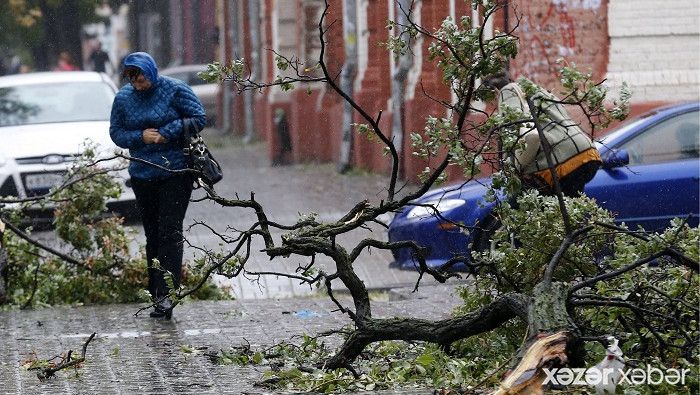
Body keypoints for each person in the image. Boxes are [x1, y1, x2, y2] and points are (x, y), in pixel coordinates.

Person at [109, 52, 206, 319]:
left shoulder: (176, 90)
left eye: (141, 77)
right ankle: (155, 293)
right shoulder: (123, 98)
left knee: (170, 231)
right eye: (133, 78)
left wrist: (167, 133)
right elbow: (116, 133)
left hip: (176, 171)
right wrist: (141, 136)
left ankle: (167, 295)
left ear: (151, 72)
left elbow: (199, 118)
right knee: (152, 233)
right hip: (142, 174)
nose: (138, 83)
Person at [485, 72, 601, 197]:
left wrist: (513, 167)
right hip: (586, 153)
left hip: (563, 162)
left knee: (532, 204)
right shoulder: (536, 90)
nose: (493, 108)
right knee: (572, 206)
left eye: (490, 102)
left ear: (495, 91)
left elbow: (515, 126)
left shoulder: (507, 91)